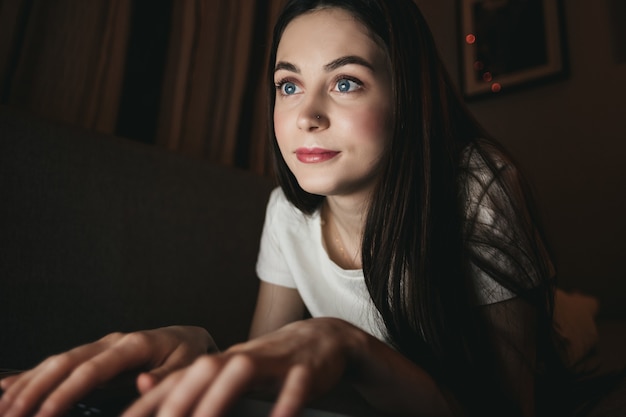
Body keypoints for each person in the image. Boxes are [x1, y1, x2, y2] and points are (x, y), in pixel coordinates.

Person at [0, 0, 567, 416]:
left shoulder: (478, 186)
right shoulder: (287, 214)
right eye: (288, 86)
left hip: (548, 327)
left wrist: (350, 347)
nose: (307, 115)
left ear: (407, 98)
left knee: (574, 320)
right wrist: (206, 353)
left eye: (346, 83)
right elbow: (262, 365)